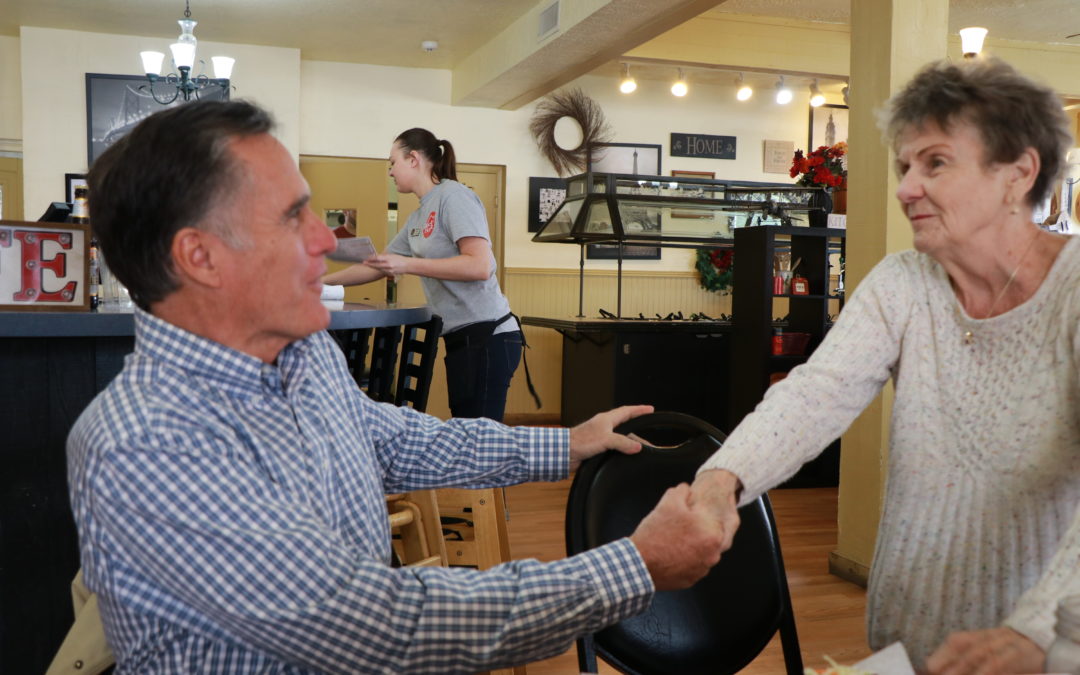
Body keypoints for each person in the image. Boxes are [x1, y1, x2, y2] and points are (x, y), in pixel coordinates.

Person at [67, 99, 729, 673]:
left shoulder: (302, 354)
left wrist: (564, 444)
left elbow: (397, 439)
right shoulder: (144, 443)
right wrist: (635, 565)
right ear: (200, 257)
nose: (327, 238)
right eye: (294, 217)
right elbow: (380, 627)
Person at [691, 57, 1080, 674]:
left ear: (1018, 172)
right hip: (902, 648)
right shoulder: (903, 282)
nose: (904, 188)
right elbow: (813, 395)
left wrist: (1034, 632)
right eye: (904, 166)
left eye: (936, 162)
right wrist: (721, 481)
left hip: (1037, 655)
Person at [322, 128, 531, 422]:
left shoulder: (454, 196)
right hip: (461, 337)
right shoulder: (418, 217)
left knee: (478, 441)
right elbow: (378, 265)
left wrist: (407, 265)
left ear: (414, 159)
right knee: (464, 430)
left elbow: (480, 266)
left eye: (393, 163)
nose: (391, 172)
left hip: (489, 335)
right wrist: (318, 283)